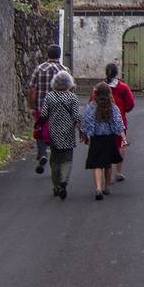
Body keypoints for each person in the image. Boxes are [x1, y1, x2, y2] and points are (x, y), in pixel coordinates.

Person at [40, 70, 81, 200]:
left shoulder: (49, 96)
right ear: (69, 83)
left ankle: (56, 185)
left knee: (55, 160)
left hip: (53, 132)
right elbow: (76, 116)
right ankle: (64, 181)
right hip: (68, 132)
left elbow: (44, 115)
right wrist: (81, 129)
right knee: (67, 159)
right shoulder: (72, 97)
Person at [81, 82, 126, 200]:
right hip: (109, 138)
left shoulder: (91, 106)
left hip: (96, 138)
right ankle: (107, 186)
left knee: (97, 164)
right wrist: (122, 136)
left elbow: (87, 121)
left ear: (96, 93)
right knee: (107, 164)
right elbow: (117, 122)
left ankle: (98, 188)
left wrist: (87, 134)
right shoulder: (113, 107)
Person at [27, 45, 67, 174]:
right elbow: (70, 90)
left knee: (40, 130)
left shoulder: (39, 69)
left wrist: (33, 105)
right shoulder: (64, 71)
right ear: (59, 55)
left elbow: (32, 89)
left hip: (42, 106)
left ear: (47, 55)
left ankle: (43, 153)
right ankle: (56, 159)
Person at [96, 63, 135, 184]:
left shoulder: (99, 87)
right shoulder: (123, 87)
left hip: (102, 119)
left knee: (104, 146)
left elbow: (92, 101)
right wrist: (124, 110)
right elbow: (130, 103)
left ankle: (106, 174)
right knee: (120, 145)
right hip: (119, 119)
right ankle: (118, 172)